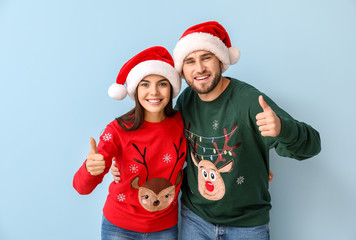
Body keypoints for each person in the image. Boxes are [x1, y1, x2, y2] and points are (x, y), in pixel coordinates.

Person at [111, 21, 321, 239]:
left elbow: (312, 146)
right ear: (182, 70)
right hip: (195, 219)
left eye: (206, 58)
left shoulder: (248, 101)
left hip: (247, 225)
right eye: (190, 61)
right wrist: (121, 163)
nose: (199, 68)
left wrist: (282, 129)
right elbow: (161, 142)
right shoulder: (186, 100)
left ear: (221, 60)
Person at [73, 46, 186, 240]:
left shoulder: (181, 122)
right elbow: (81, 188)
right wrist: (90, 168)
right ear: (135, 89)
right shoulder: (117, 130)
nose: (154, 92)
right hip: (119, 228)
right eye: (144, 84)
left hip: (165, 228)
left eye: (162, 84)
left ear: (172, 88)